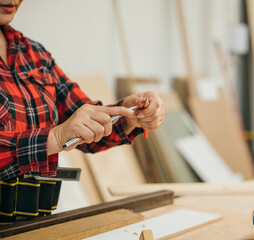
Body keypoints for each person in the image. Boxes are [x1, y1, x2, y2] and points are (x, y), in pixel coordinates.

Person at [0, 0, 164, 220]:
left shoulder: (34, 54)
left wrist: (128, 115)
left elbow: (83, 126)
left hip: (33, 225)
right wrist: (55, 137)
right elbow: (61, 136)